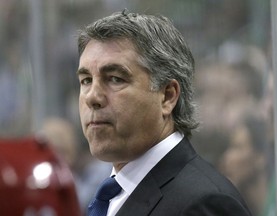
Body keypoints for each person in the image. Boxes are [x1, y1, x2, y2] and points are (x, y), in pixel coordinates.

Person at [76, 9, 252, 216]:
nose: (92, 97)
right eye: (86, 80)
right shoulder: (110, 195)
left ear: (168, 96)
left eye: (115, 78)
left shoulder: (204, 203)